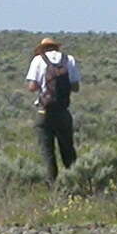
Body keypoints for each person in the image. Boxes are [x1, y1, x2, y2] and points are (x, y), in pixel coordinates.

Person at [23, 36, 80, 184]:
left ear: (42, 48)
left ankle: (52, 186)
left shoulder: (38, 60)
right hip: (63, 111)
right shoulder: (69, 60)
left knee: (47, 153)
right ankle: (74, 182)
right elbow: (76, 87)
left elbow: (32, 87)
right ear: (56, 47)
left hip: (44, 112)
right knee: (68, 150)